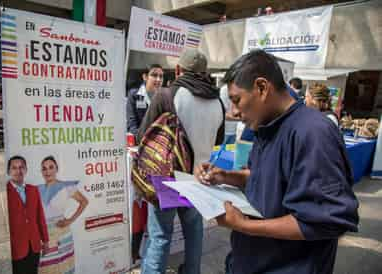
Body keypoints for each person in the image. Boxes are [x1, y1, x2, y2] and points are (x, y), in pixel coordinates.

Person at [195, 50, 359, 274]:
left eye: (236, 100)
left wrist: (243, 225)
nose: (234, 112)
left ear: (262, 88)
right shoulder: (267, 125)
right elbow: (263, 177)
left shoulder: (312, 133)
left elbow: (326, 219)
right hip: (250, 260)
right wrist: (225, 176)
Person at [138, 48, 224, 274]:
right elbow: (219, 138)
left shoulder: (166, 95)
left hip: (168, 178)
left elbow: (142, 136)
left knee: (160, 236)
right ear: (204, 73)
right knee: (194, 233)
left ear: (178, 70)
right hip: (200, 177)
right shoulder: (217, 101)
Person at [37, 156, 88, 274]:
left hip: (62, 234)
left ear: (56, 169)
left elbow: (84, 202)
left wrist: (69, 220)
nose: (47, 171)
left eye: (51, 167)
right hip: (43, 236)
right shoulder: (37, 189)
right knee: (46, 269)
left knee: (63, 267)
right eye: (44, 169)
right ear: (41, 172)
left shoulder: (67, 187)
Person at [6, 155, 49, 274]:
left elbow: (40, 217)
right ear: (9, 171)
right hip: (16, 248)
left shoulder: (33, 190)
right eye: (14, 168)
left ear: (26, 170)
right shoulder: (5, 192)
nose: (18, 171)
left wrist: (45, 241)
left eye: (21, 167)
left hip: (34, 246)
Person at [126, 64, 164, 136]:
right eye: (154, 75)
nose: (158, 79)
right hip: (139, 141)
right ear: (145, 77)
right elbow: (132, 125)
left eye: (161, 76)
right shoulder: (134, 95)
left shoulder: (164, 97)